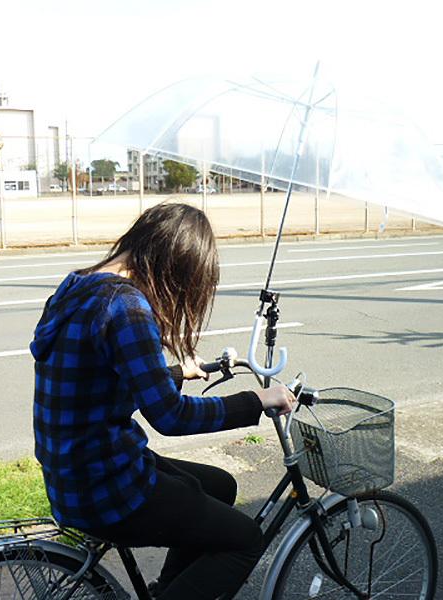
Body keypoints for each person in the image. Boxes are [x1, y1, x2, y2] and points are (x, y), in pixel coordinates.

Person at [31, 202, 295, 599]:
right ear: (173, 265)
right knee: (244, 540)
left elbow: (97, 376)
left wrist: (171, 373)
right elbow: (172, 417)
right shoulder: (126, 307)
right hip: (106, 487)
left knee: (220, 484)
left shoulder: (80, 286)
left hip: (74, 470)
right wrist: (256, 400)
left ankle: (168, 590)